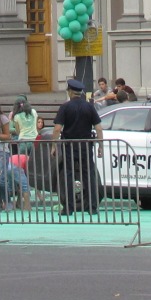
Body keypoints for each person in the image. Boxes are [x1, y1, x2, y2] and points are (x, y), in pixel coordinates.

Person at [53, 77, 102, 215]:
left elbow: (57, 128)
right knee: (89, 175)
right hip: (86, 145)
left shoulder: (65, 107)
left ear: (69, 91)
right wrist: (101, 146)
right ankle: (92, 207)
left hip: (69, 145)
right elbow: (98, 128)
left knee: (68, 175)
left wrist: (53, 146)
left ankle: (68, 208)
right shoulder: (89, 107)